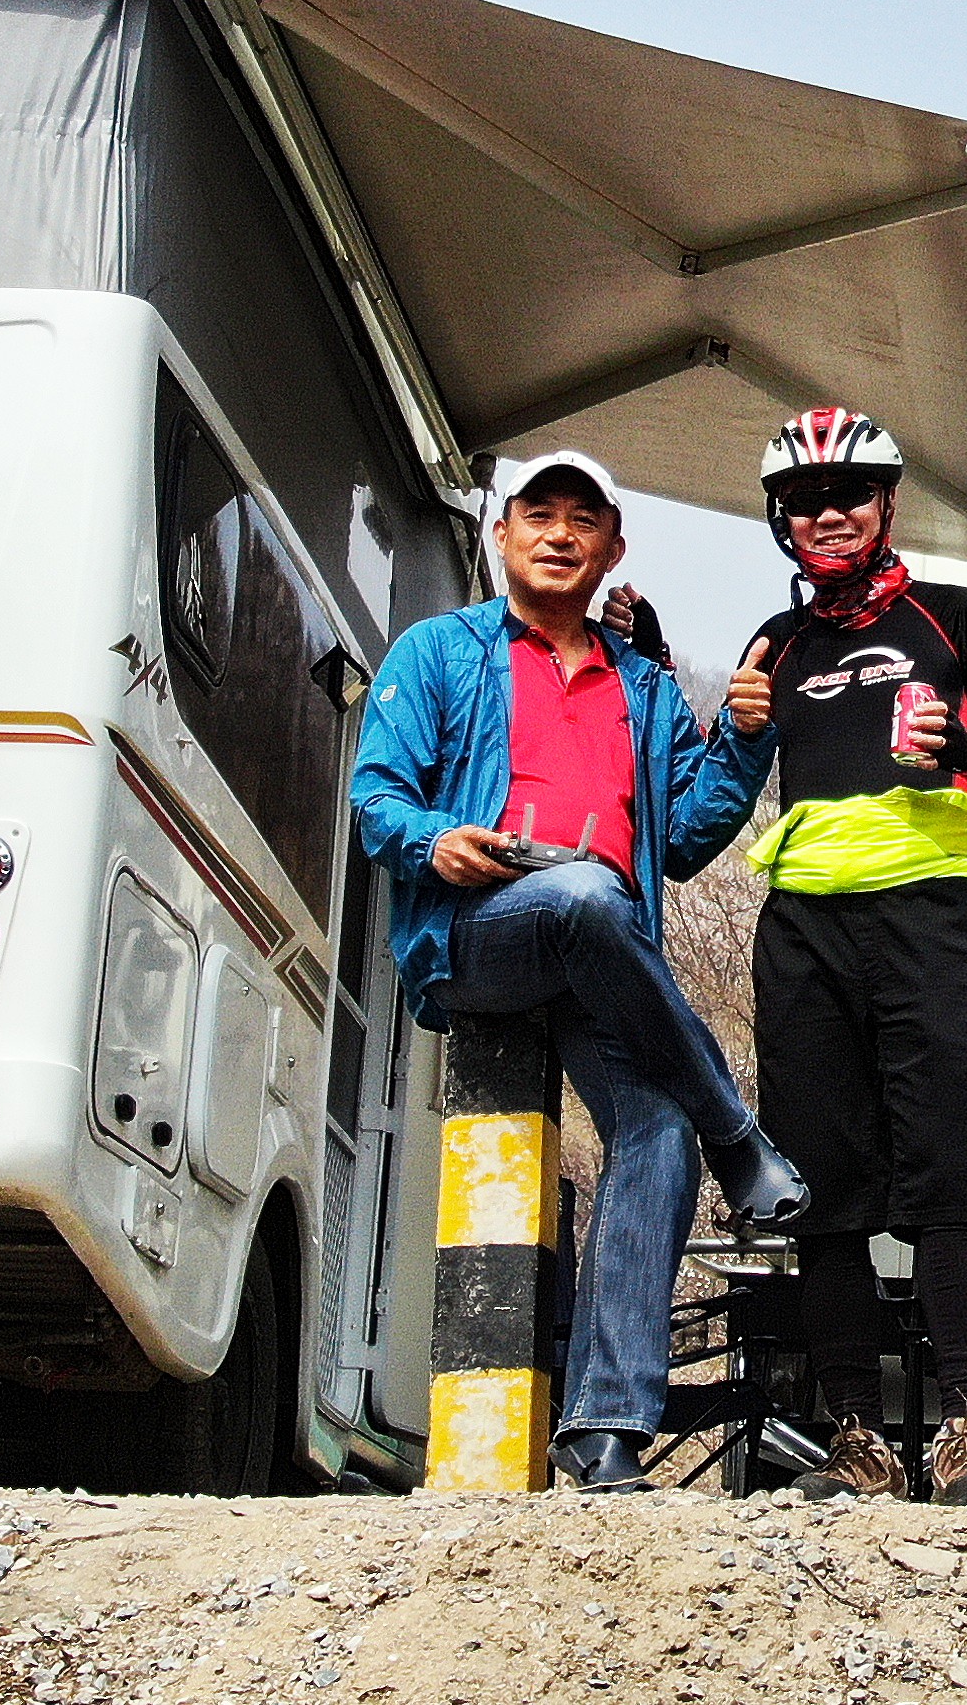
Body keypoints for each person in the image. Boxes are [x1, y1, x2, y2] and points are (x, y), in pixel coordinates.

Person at [350, 449, 809, 1492]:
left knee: (655, 1132)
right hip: (482, 933)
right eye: (538, 515)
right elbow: (376, 797)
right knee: (583, 894)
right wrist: (435, 843)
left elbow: (687, 839)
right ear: (502, 536)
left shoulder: (644, 688)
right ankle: (743, 1137)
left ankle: (603, 1431)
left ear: (612, 548)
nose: (559, 534)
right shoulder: (438, 653)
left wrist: (745, 739)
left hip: (603, 952)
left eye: (582, 520)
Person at [738, 408, 967, 1505]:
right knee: (818, 1189)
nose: (828, 514)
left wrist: (964, 750)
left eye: (849, 494)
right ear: (782, 522)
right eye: (804, 501)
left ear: (886, 506)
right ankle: (858, 1443)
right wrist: (711, 716)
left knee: (953, 1176)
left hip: (932, 918)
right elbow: (719, 793)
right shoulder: (770, 648)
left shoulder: (955, 615)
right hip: (802, 928)